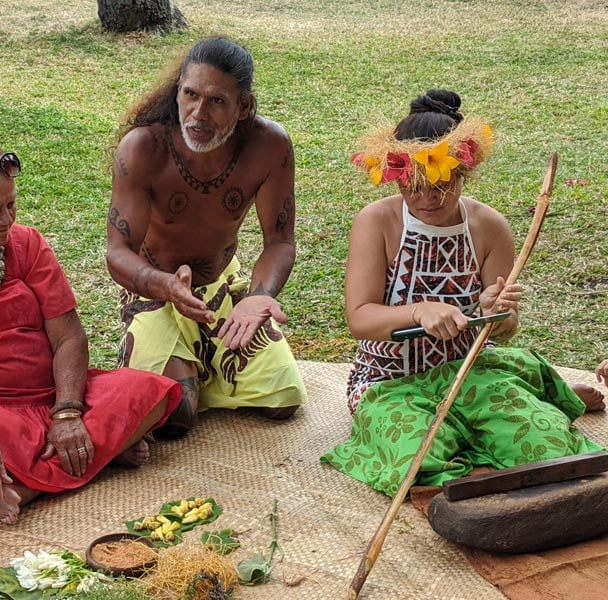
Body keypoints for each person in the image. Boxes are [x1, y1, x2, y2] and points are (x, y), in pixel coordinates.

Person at [0, 128, 180, 524]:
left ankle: (28, 486)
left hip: (50, 397)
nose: (7, 220)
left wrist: (68, 413)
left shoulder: (27, 244)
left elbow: (68, 335)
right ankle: (93, 456)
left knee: (147, 391)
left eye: (11, 205)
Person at [321, 90, 604, 496]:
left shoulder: (489, 227)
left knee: (547, 445)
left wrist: (497, 313)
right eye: (413, 186)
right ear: (396, 176)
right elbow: (360, 318)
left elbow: (504, 330)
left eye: (441, 183)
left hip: (471, 370)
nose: (427, 198)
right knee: (418, 458)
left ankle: (531, 409)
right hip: (388, 381)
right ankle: (523, 412)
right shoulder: (377, 222)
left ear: (463, 172)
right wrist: (418, 311)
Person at [105, 37, 307, 437]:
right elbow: (118, 252)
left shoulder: (269, 146)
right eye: (190, 95)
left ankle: (198, 362)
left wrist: (258, 296)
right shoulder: (144, 147)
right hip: (156, 290)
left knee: (283, 398)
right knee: (174, 415)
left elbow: (279, 242)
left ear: (244, 106)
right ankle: (169, 357)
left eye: (216, 101)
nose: (198, 113)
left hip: (220, 288)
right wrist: (164, 285)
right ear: (177, 90)